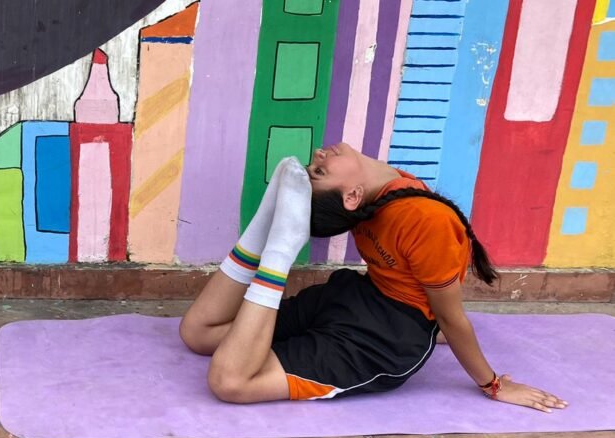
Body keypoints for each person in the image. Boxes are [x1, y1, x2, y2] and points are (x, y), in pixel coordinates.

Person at [178, 145, 567, 412]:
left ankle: (280, 253)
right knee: (198, 334)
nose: (319, 155)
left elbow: (451, 317)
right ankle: (270, 240)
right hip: (351, 299)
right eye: (319, 171)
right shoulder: (376, 201)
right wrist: (268, 223)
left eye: (316, 168)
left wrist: (490, 382)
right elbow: (442, 310)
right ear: (352, 197)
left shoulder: (423, 216)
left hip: (384, 340)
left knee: (231, 381)